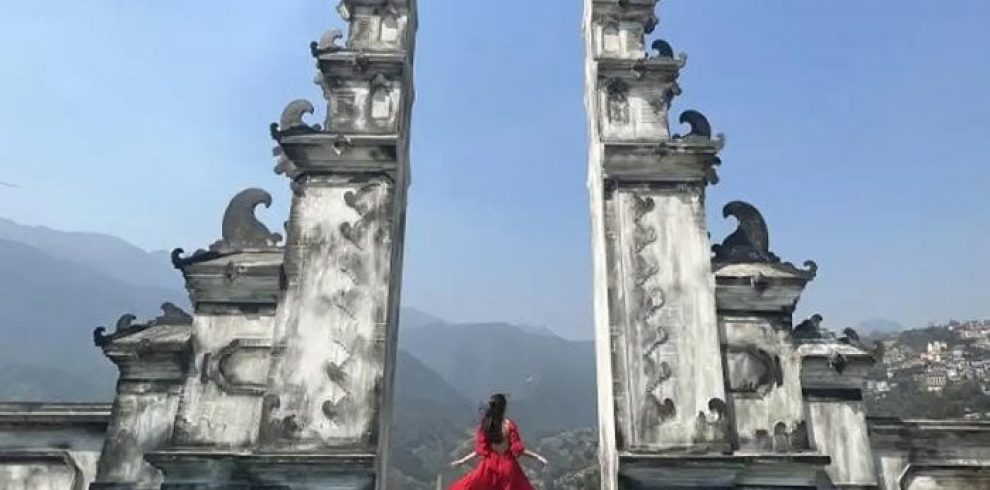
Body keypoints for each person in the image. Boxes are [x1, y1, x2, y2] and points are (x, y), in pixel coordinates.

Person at [448, 393, 547, 490]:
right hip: (508, 465)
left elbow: (479, 451)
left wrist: (463, 460)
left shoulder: (486, 426)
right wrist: (537, 457)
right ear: (504, 407)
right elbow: (519, 450)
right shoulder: (509, 425)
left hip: (489, 465)